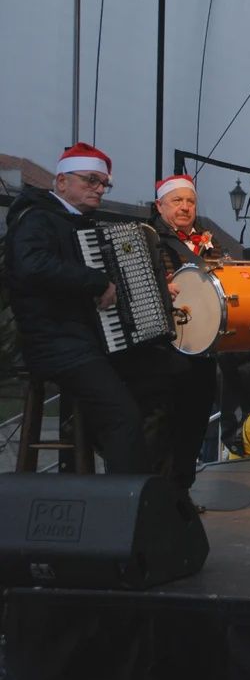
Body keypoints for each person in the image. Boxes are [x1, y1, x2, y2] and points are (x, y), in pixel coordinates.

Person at [4, 143, 150, 474]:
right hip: (54, 341)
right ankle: (127, 497)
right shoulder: (36, 218)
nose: (99, 189)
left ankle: (160, 485)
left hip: (81, 340)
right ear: (61, 182)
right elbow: (31, 266)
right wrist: (96, 281)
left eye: (104, 183)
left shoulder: (77, 223)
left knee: (171, 378)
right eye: (91, 180)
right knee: (122, 415)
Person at [149, 174, 227, 502]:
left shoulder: (209, 240)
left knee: (195, 422)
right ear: (160, 205)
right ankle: (159, 496)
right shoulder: (149, 237)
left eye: (190, 201)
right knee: (166, 423)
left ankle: (181, 493)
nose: (185, 207)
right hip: (164, 348)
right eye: (177, 201)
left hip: (202, 347)